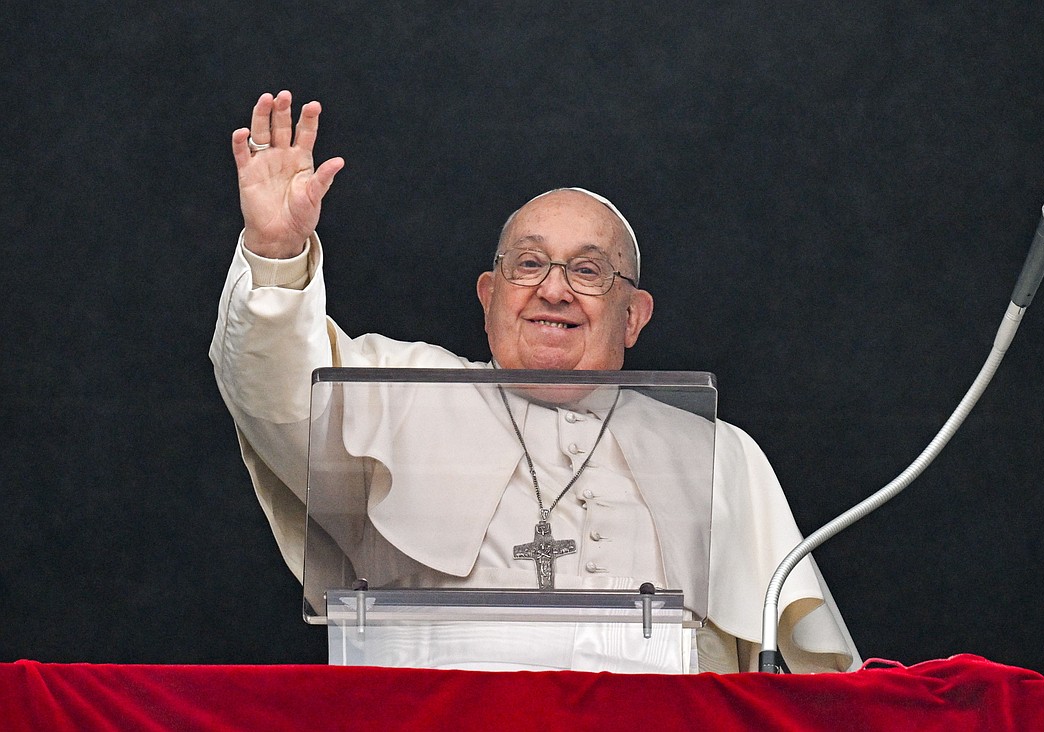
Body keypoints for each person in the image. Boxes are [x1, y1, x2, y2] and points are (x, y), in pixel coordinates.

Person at [211, 90, 860, 673]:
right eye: (529, 265)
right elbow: (273, 396)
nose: (553, 289)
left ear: (633, 316)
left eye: (587, 270)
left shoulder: (723, 457)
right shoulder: (393, 388)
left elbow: (800, 684)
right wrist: (275, 254)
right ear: (489, 297)